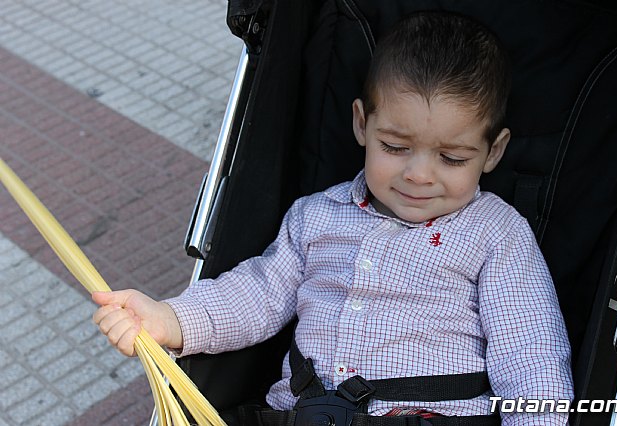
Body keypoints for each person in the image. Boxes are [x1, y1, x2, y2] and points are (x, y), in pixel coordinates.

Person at [93, 10, 573, 425]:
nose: (419, 175)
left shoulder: (496, 233)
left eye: (452, 159)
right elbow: (255, 296)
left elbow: (530, 354)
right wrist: (171, 319)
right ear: (362, 123)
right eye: (395, 147)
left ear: (493, 152)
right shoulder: (316, 216)